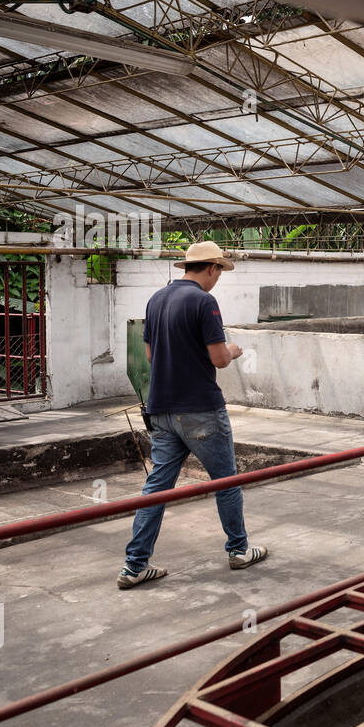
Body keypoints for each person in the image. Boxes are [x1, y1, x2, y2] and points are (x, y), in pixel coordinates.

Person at [118, 241, 267, 590]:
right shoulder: (204, 302)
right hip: (200, 409)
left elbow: (152, 356)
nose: (218, 278)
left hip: (162, 410)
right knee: (226, 483)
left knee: (156, 489)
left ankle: (134, 565)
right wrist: (231, 349)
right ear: (212, 268)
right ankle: (239, 550)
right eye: (219, 271)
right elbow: (218, 359)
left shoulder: (156, 299)